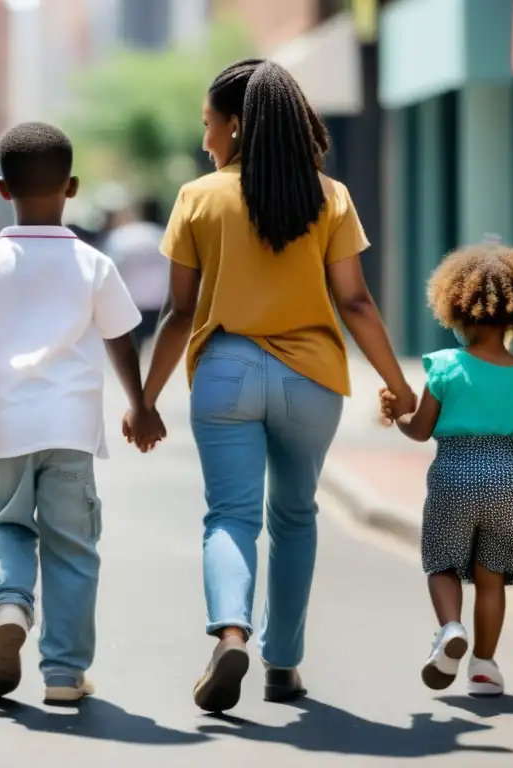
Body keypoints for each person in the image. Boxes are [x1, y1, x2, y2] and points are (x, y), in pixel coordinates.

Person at [126, 59, 416, 713]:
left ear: (234, 126)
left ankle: (232, 633)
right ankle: (282, 665)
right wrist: (399, 385)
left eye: (208, 125)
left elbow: (178, 313)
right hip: (313, 379)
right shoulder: (331, 196)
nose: (206, 141)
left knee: (230, 516)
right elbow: (358, 303)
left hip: (226, 372)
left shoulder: (198, 198)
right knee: (295, 517)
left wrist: (146, 401)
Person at [0, 122, 162, 703]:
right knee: (73, 546)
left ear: (0, 188)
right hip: (71, 430)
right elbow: (120, 338)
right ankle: (64, 673)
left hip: (7, 428)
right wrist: (140, 405)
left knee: (10, 525)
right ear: (72, 188)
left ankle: (10, 604)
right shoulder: (93, 263)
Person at [379, 240, 513, 697]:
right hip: (506, 480)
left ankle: (451, 629)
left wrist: (396, 413)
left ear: (456, 308)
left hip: (453, 473)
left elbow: (419, 430)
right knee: (490, 572)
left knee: (441, 561)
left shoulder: (443, 366)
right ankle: (484, 665)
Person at [101, 200, 169, 355]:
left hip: (129, 302)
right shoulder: (163, 236)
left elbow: (109, 268)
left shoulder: (122, 236)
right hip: (157, 303)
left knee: (131, 353)